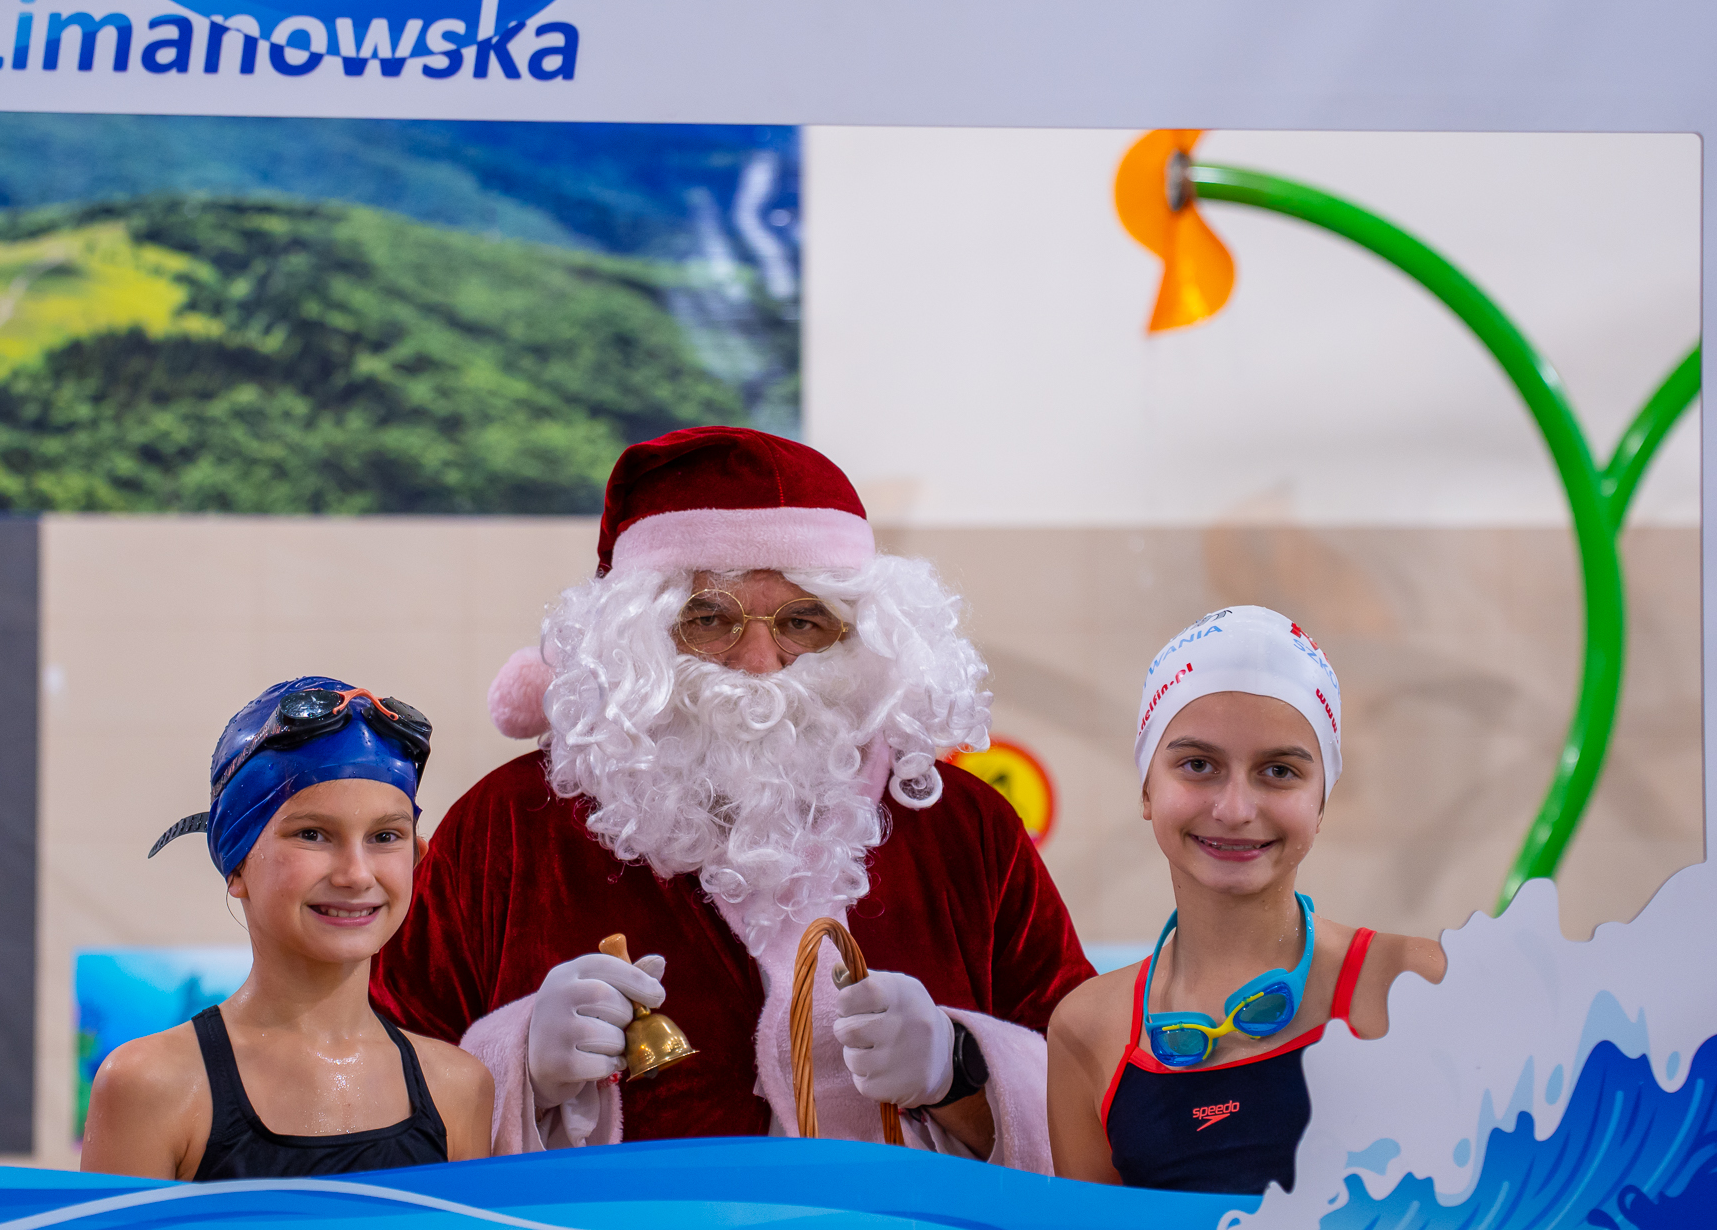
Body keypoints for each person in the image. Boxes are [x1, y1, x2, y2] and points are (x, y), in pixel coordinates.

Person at [371, 427, 1095, 1168]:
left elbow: (1100, 1096)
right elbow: (369, 1086)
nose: (758, 664)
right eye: (709, 618)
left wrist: (962, 1068)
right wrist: (515, 1066)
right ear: (637, 636)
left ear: (859, 637)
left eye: (804, 622)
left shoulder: (962, 826)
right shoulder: (507, 824)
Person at [1048, 607, 1446, 1194]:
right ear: (1147, 789)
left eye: (1279, 771)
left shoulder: (1411, 986)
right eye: (1198, 765)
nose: (1235, 809)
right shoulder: (1087, 1031)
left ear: (1322, 801)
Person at [82, 677, 493, 1179]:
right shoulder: (151, 1087)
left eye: (385, 836)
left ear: (416, 857)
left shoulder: (459, 1091)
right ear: (236, 863)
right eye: (313, 834)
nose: (356, 874)